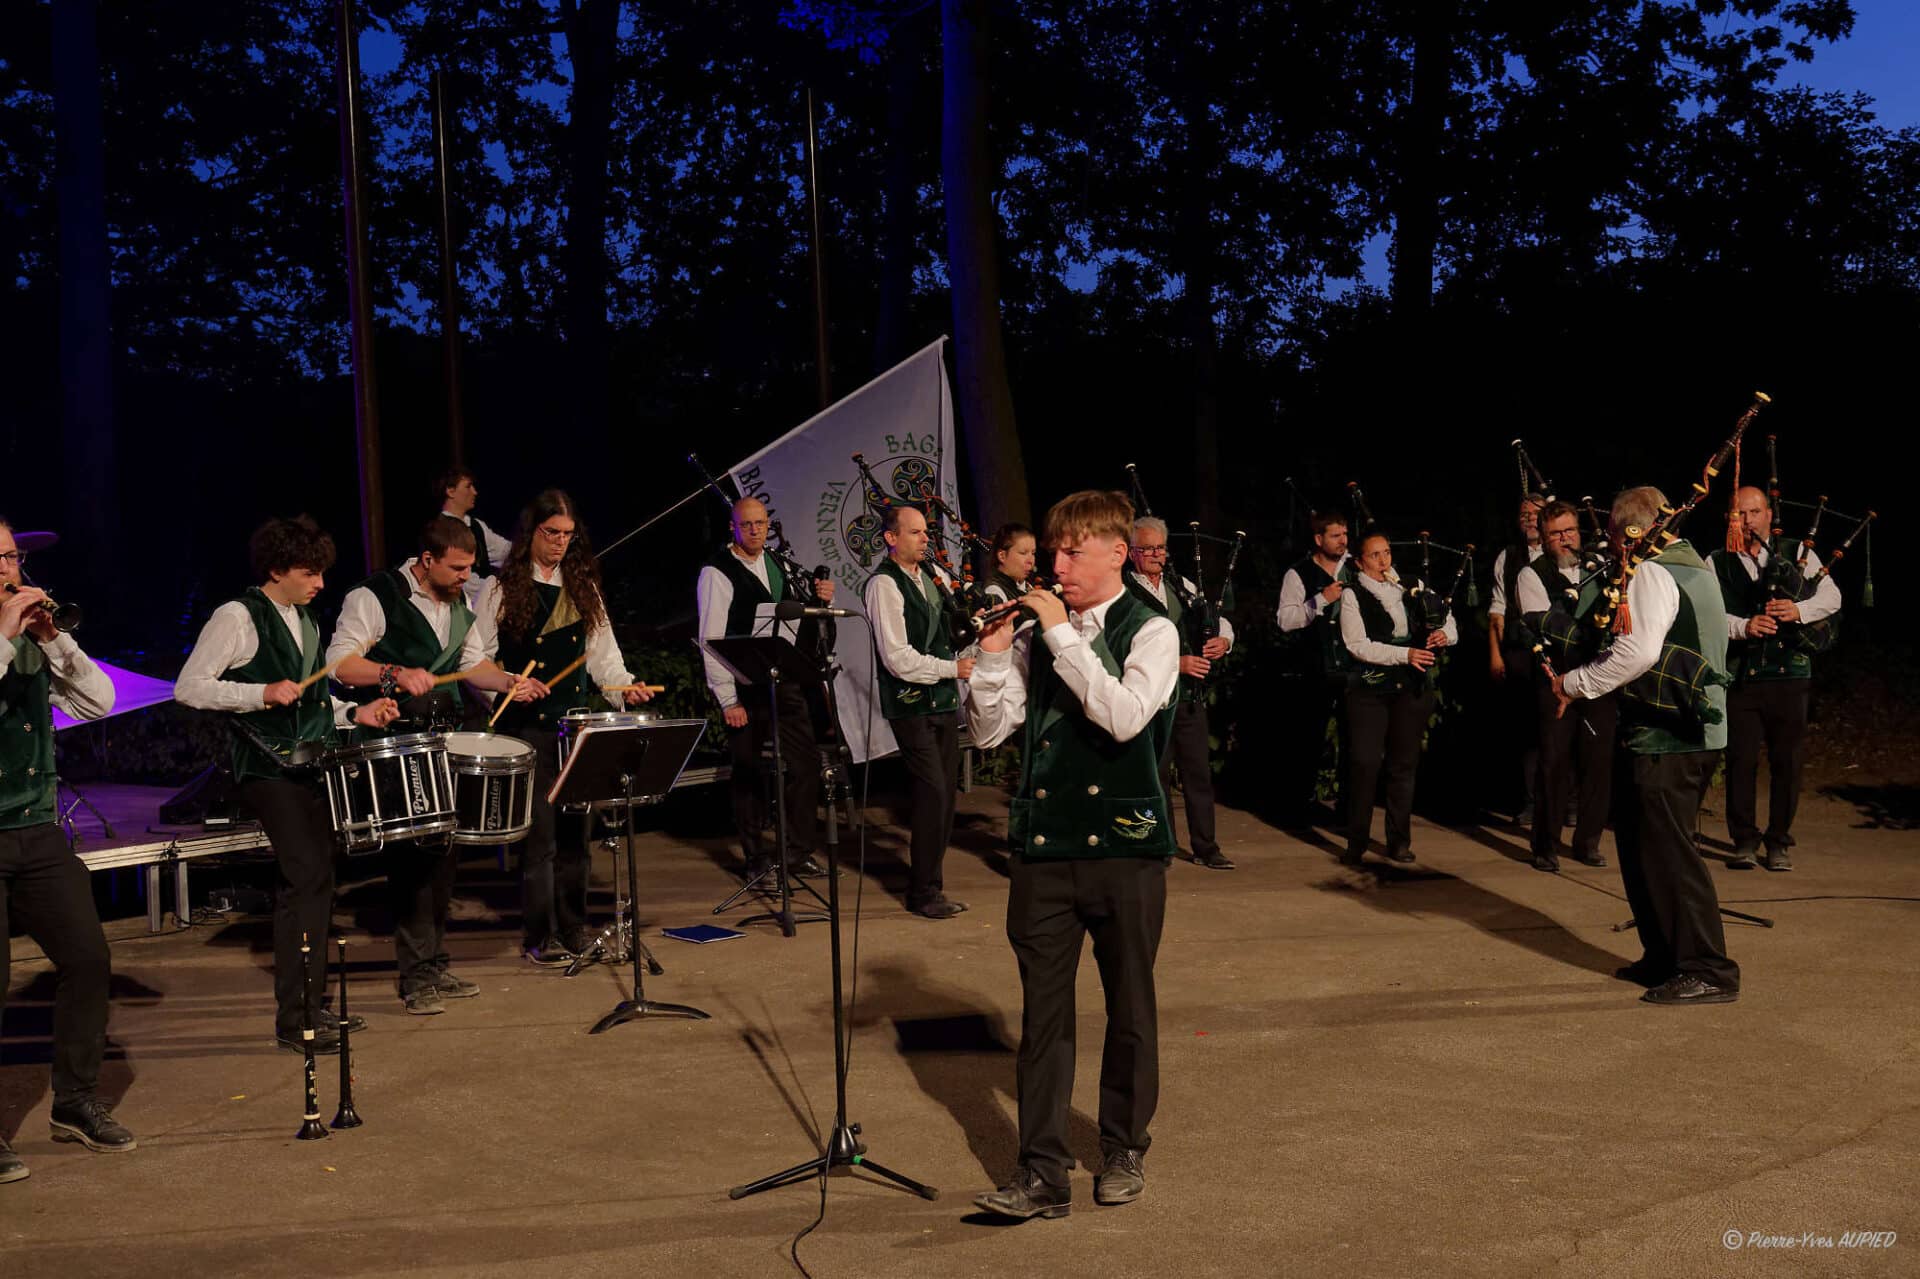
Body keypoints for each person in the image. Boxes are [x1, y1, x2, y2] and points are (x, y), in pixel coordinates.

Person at [966, 490, 1179, 1220]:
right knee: (1044, 1014)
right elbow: (992, 735)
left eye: (1071, 553)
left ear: (1117, 553)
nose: (1055, 565)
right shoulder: (1036, 632)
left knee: (1130, 1005)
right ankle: (1040, 1172)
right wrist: (994, 657)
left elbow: (1122, 717)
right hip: (1045, 848)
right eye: (1053, 553)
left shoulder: (1153, 630)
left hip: (1125, 848)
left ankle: (1122, 1146)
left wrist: (1060, 636)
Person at [174, 516, 401, 1052]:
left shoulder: (306, 622)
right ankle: (294, 1018)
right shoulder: (238, 616)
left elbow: (315, 704)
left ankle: (312, 1005)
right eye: (309, 572)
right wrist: (258, 694)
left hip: (307, 763)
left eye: (322, 572)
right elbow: (189, 687)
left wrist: (356, 714)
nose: (320, 584)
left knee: (318, 880)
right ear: (276, 569)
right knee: (305, 877)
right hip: (264, 768)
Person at [1553, 486, 1740, 1006]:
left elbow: (1637, 652)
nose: (1611, 546)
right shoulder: (1692, 563)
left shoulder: (1654, 570)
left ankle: (1708, 968)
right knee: (1641, 847)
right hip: (1681, 730)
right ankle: (1664, 955)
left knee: (1671, 854)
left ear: (1628, 531)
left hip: (1673, 734)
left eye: (1613, 534)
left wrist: (1574, 683)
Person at [458, 490, 652, 966]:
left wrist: (624, 690)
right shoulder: (503, 587)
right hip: (529, 729)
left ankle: (575, 928)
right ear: (532, 533)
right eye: (551, 533)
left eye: (567, 535)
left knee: (576, 837)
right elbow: (471, 658)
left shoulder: (582, 586)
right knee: (540, 840)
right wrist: (506, 685)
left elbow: (604, 656)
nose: (560, 543)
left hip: (574, 729)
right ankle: (539, 936)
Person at [0, 521, 133, 1182]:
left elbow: (99, 700)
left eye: (13, 556)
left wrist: (57, 642)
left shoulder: (29, 636)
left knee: (87, 956)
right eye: (1, 557)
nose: (13, 567)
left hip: (34, 828)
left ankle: (75, 1102)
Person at [327, 515, 483, 1013]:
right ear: (427, 560)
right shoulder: (374, 596)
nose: (465, 577)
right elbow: (340, 664)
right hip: (397, 742)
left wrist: (513, 684)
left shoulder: (459, 601)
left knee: (444, 856)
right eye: (457, 568)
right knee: (412, 862)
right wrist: (393, 672)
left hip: (445, 741)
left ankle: (435, 963)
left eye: (470, 568)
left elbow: (474, 665)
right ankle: (415, 977)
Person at [696, 497, 832, 882]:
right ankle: (755, 856)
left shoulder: (777, 563)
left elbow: (795, 616)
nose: (756, 531)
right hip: (743, 684)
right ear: (733, 528)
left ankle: (797, 851)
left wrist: (820, 600)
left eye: (761, 523)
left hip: (781, 679)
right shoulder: (717, 572)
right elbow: (710, 637)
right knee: (749, 770)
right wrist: (727, 698)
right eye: (747, 525)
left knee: (804, 764)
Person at [1709, 486, 1842, 872]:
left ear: (1769, 514)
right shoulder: (1716, 561)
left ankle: (1778, 840)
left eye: (1754, 512)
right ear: (1729, 519)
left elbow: (1832, 597)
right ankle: (1744, 840)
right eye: (1739, 514)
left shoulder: (1798, 552)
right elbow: (1711, 614)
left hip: (1790, 675)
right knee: (1741, 760)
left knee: (1788, 762)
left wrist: (1796, 609)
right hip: (1743, 676)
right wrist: (1743, 627)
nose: (1747, 521)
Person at [862, 503, 973, 919]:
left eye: (926, 532)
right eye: (915, 533)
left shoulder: (929, 576)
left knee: (945, 797)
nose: (926, 538)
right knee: (933, 792)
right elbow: (896, 658)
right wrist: (952, 668)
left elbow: (949, 631)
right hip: (909, 704)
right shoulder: (884, 585)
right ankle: (922, 893)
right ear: (891, 538)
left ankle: (932, 885)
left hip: (941, 699)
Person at [1339, 531, 1456, 866]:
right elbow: (1357, 644)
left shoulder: (1410, 585)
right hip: (1370, 690)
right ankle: (1357, 840)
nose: (1383, 561)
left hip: (1410, 689)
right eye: (1375, 555)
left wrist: (1442, 633)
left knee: (1402, 765)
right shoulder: (1353, 594)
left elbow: (1448, 618)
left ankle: (1399, 840)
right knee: (1364, 763)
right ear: (1360, 562)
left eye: (1387, 553)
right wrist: (1406, 654)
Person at [1124, 517, 1234, 870]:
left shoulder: (1177, 583)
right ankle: (1162, 845)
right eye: (1148, 548)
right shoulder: (1124, 591)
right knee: (1155, 775)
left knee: (1198, 773)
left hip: (1187, 698)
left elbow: (1213, 614)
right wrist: (1178, 662)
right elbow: (1126, 646)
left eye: (1161, 547)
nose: (1157, 555)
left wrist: (1224, 640)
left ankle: (1206, 846)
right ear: (1130, 553)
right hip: (1152, 700)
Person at [1513, 501, 1615, 872]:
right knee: (1553, 763)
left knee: (1598, 763)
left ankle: (1588, 842)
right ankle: (1545, 845)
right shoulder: (1532, 574)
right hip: (1556, 679)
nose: (1565, 539)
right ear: (1543, 536)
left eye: (1570, 531)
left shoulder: (1600, 567)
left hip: (1601, 677)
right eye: (1556, 534)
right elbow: (1543, 623)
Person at [1274, 511, 1352, 826]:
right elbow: (1285, 619)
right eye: (1336, 535)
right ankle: (1300, 809)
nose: (1343, 541)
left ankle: (1348, 811)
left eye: (1345, 534)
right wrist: (1320, 599)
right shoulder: (1299, 573)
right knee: (1308, 741)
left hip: (1351, 668)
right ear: (1319, 539)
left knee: (1353, 742)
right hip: (1314, 669)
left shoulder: (1355, 567)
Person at [1489, 493, 1547, 825]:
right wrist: (1495, 655)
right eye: (1522, 514)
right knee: (1527, 729)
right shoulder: (1508, 558)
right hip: (1519, 649)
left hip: (1557, 647)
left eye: (1533, 514)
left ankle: (1564, 799)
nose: (1527, 519)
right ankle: (1530, 800)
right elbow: (1497, 609)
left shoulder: (1562, 554)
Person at [437, 466, 514, 609]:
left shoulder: (476, 525)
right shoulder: (441, 529)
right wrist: (499, 591)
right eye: (468, 487)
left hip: (484, 603)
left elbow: (506, 552)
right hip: (458, 607)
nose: (475, 492)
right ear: (450, 491)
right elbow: (464, 581)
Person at [982, 523, 1038, 607]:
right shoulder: (994, 592)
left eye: (1033, 553)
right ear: (1002, 556)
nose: (1031, 560)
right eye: (1023, 553)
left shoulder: (1027, 586)